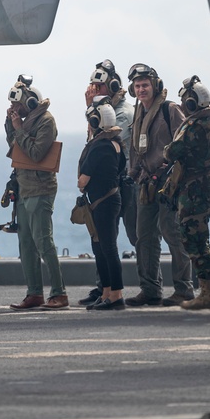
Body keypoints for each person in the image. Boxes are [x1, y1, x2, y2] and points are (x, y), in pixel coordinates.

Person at [123, 63, 193, 307]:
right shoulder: (138, 113)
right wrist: (132, 173)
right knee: (145, 237)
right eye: (137, 86)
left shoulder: (169, 109)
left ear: (155, 85)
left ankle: (184, 289)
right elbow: (135, 148)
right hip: (145, 182)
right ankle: (150, 290)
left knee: (172, 233)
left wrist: (172, 170)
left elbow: (185, 143)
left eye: (145, 85)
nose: (141, 89)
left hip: (168, 183)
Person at [5, 76, 68, 310]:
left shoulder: (45, 122)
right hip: (24, 187)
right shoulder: (26, 120)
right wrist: (10, 122)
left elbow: (35, 153)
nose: (16, 110)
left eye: (19, 106)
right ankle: (34, 293)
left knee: (44, 241)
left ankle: (59, 293)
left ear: (30, 103)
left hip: (40, 188)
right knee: (26, 243)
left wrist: (19, 129)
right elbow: (14, 145)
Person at [160, 76, 210, 310]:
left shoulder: (195, 127)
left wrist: (168, 149)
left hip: (193, 191)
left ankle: (209, 294)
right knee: (199, 240)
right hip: (204, 187)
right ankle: (208, 291)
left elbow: (171, 152)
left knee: (193, 240)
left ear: (192, 103)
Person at [79, 59, 137, 307]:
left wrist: (93, 111)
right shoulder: (103, 112)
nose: (94, 91)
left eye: (98, 87)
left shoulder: (120, 114)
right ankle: (105, 289)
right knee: (102, 243)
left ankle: (118, 292)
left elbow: (102, 143)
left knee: (116, 243)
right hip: (108, 190)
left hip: (115, 187)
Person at [78, 97, 126, 310]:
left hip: (101, 204)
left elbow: (83, 180)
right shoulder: (116, 145)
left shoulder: (98, 148)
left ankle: (115, 295)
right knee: (101, 248)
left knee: (107, 248)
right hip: (112, 200)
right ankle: (107, 292)